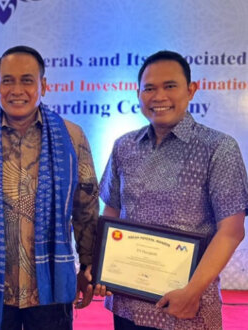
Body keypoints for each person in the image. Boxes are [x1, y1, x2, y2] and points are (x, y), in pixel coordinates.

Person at [0, 45, 99, 330]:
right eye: (8, 81)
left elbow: (85, 208)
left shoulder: (72, 137)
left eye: (27, 80)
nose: (17, 90)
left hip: (51, 285)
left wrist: (89, 267)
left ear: (44, 85)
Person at [96, 50, 248, 329]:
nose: (159, 96)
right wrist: (104, 269)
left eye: (170, 86)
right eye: (149, 88)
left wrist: (191, 292)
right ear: (138, 93)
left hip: (187, 308)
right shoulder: (124, 146)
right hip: (127, 304)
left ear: (191, 90)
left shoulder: (219, 148)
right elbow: (112, 209)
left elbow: (232, 230)